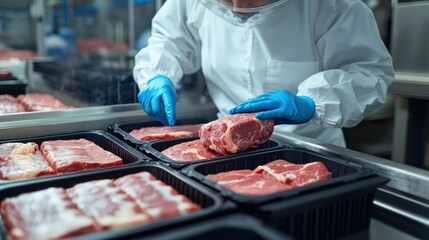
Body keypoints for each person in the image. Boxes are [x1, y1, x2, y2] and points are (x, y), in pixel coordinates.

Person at [133, 0, 394, 147]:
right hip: (226, 142)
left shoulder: (334, 6)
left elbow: (367, 72)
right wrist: (158, 74)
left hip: (309, 147)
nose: (237, 6)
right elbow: (169, 40)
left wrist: (314, 103)